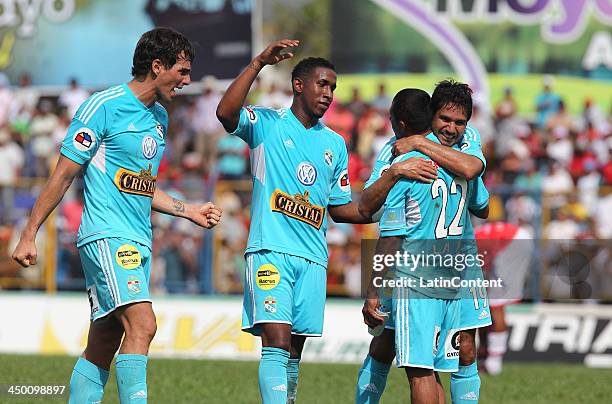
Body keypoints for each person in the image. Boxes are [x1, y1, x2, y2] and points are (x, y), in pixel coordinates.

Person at [12, 27, 222, 404]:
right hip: (106, 235)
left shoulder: (159, 117)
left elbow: (141, 185)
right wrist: (30, 232)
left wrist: (187, 209)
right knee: (143, 324)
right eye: (183, 71)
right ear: (157, 66)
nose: (187, 81)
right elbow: (63, 174)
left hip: (138, 238)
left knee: (105, 340)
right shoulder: (103, 106)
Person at [216, 39, 375, 404]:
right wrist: (258, 63)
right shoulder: (266, 123)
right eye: (322, 84)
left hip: (313, 260)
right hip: (271, 251)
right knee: (277, 342)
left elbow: (340, 208)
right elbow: (226, 113)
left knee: (294, 354)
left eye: (333, 87)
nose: (329, 93)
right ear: (298, 85)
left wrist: (376, 202)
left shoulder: (334, 144)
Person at [357, 80, 491, 404]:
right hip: (449, 274)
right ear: (431, 115)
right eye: (445, 119)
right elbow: (482, 205)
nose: (452, 128)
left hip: (421, 277)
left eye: (459, 122)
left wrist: (373, 289)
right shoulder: (407, 154)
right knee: (421, 363)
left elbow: (388, 233)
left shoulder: (407, 165)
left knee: (423, 369)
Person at [475, 221, 533, 375]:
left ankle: (494, 362)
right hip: (516, 239)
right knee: (489, 302)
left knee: (495, 304)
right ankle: (486, 357)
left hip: (512, 243)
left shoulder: (465, 245)